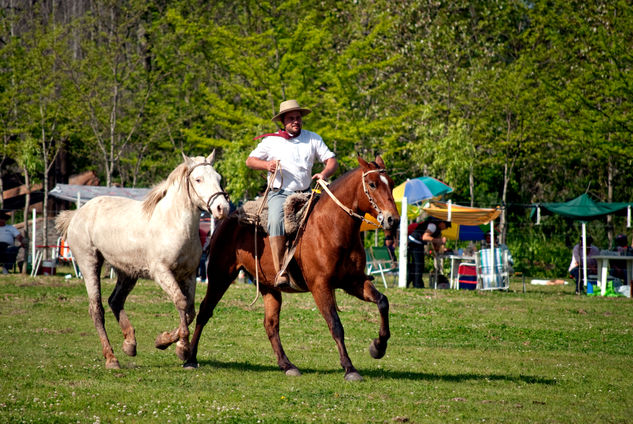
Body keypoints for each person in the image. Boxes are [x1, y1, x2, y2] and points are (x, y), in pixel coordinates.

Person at [246, 99, 338, 288]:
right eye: (291, 118)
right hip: (280, 193)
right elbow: (250, 161)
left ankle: (337, 265)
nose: (296, 121)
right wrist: (266, 165)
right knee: (274, 220)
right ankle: (281, 270)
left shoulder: (313, 138)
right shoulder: (271, 141)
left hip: (307, 193)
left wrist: (324, 173)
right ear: (283, 122)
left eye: (298, 118)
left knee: (333, 217)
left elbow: (331, 161)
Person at [407, 218, 450, 288]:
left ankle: (414, 283)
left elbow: (434, 243)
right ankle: (418, 285)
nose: (446, 228)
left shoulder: (436, 230)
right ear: (442, 223)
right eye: (446, 226)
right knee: (418, 265)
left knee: (415, 266)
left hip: (415, 243)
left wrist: (439, 245)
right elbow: (425, 237)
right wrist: (439, 240)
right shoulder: (433, 226)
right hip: (414, 243)